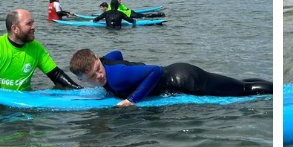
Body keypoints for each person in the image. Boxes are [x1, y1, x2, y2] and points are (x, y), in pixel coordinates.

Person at [68, 48, 271, 106]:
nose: (99, 76)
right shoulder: (106, 62)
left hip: (186, 80)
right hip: (181, 74)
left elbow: (156, 70)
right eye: (92, 77)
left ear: (97, 58)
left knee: (243, 90)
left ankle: (275, 92)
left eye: (98, 68)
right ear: (82, 80)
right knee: (238, 85)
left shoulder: (118, 77)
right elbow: (117, 54)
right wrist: (103, 64)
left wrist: (132, 99)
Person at [0, 9, 80, 97]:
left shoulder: (36, 48)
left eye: (33, 23)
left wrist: (79, 90)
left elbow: (56, 75)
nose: (34, 27)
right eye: (29, 24)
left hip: (24, 100)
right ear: (15, 28)